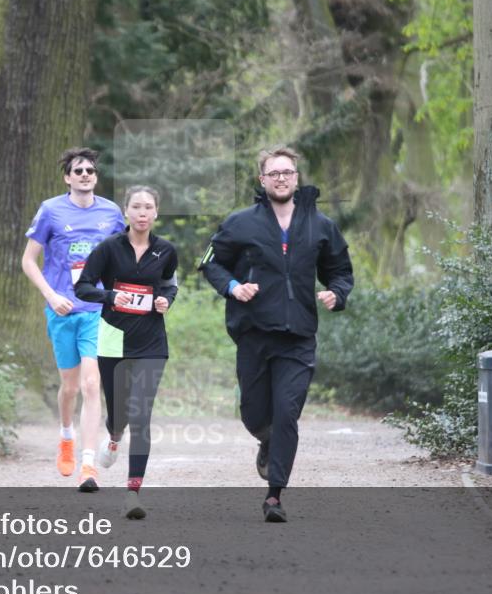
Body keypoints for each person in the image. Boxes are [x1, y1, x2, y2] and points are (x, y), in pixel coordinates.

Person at [199, 146, 353, 523]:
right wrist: (233, 287)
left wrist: (337, 293)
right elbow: (211, 263)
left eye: (287, 172)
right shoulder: (241, 223)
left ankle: (274, 495)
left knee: (286, 413)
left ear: (296, 178)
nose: (281, 178)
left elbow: (339, 270)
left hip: (298, 336)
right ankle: (266, 440)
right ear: (262, 179)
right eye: (274, 173)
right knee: (254, 414)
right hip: (253, 332)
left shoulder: (320, 225)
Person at [22, 148, 125, 492]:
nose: (84, 175)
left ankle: (88, 464)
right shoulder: (51, 210)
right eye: (78, 171)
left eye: (90, 170)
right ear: (67, 177)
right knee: (70, 388)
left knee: (92, 384)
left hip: (97, 311)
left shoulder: (111, 213)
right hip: (62, 310)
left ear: (96, 176)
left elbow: (125, 255)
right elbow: (28, 261)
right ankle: (66, 435)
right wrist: (51, 296)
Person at [75, 186, 178, 520]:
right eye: (136, 206)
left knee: (141, 414)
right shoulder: (109, 248)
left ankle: (132, 492)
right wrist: (109, 297)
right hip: (113, 340)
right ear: (126, 211)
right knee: (120, 414)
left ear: (156, 212)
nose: (142, 213)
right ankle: (114, 435)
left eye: (148, 207)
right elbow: (82, 286)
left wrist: (165, 301)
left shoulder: (166, 250)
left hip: (151, 342)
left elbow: (169, 285)